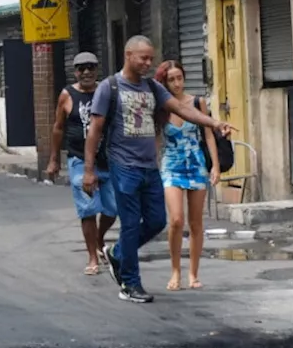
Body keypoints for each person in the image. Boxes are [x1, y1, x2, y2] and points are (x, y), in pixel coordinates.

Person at [82, 36, 233, 303]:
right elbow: (94, 130)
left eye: (151, 58)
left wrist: (215, 122)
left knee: (156, 222)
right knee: (130, 224)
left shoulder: (152, 87)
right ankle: (130, 284)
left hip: (149, 167)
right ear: (129, 55)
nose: (149, 63)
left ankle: (118, 253)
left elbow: (182, 110)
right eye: (144, 58)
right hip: (123, 165)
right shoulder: (110, 87)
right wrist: (89, 170)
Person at [46, 52, 116, 276]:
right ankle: (93, 257)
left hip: (106, 160)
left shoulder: (106, 92)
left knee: (112, 208)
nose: (86, 72)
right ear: (75, 71)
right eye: (81, 68)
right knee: (87, 210)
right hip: (78, 159)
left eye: (91, 67)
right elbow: (58, 127)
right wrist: (54, 158)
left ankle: (100, 238)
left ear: (97, 70)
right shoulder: (68, 95)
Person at [156, 60, 219, 291]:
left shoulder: (196, 102)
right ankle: (175, 271)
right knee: (176, 220)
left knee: (195, 223)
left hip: (196, 165)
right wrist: (153, 168)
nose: (176, 83)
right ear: (165, 82)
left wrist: (215, 166)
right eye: (171, 79)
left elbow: (209, 135)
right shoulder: (162, 107)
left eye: (179, 78)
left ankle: (193, 273)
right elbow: (156, 140)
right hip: (171, 166)